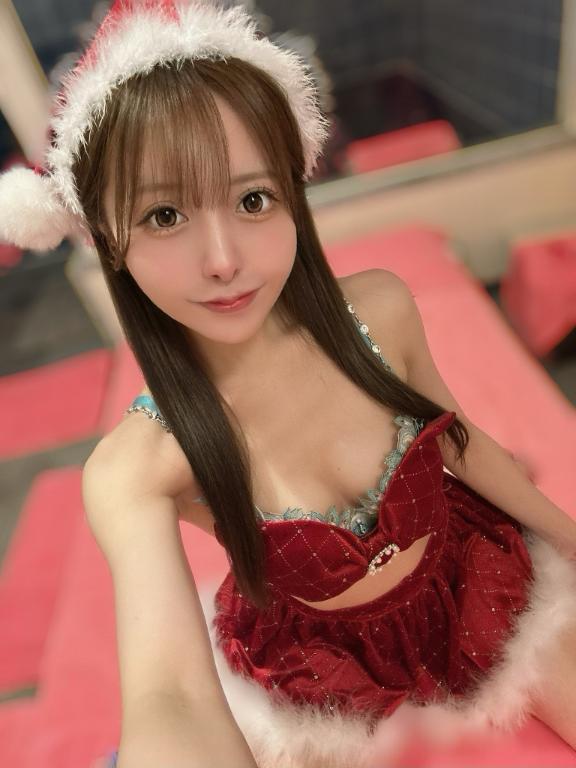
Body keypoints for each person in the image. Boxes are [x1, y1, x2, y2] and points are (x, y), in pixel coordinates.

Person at [1, 2, 576, 767]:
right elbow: (169, 696)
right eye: (165, 214)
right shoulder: (137, 469)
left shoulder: (382, 312)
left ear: (292, 198)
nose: (223, 260)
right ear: (108, 239)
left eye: (252, 200)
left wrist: (568, 537)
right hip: (327, 672)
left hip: (470, 581)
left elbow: (462, 445)